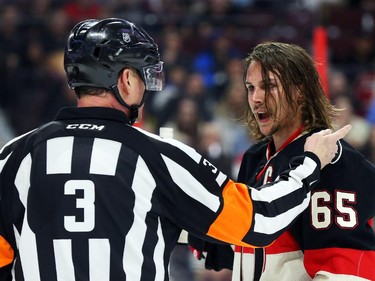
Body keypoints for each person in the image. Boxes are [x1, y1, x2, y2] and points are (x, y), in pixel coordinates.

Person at [0, 19, 349, 281]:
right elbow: (259, 220)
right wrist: (308, 164)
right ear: (125, 80)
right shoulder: (158, 158)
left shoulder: (13, 158)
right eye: (141, 74)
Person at [189, 42, 375, 281]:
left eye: (269, 86)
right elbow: (249, 247)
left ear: (300, 91)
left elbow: (344, 272)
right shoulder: (255, 158)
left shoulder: (332, 159)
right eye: (250, 87)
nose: (255, 98)